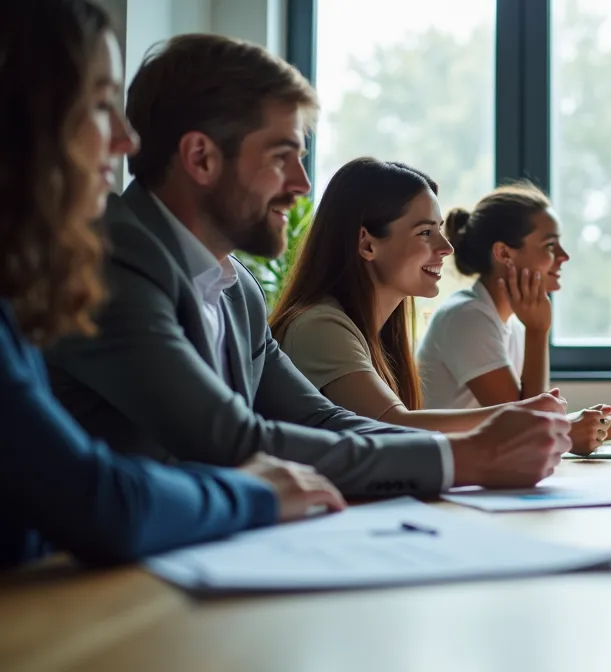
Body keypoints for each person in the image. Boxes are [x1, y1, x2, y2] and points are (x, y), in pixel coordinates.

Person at [44, 33, 571, 499]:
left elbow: (321, 418)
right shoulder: (108, 260)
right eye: (280, 157)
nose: (300, 185)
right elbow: (232, 440)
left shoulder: (237, 287)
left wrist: (481, 442)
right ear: (201, 158)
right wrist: (467, 459)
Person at [0, 0, 343, 568]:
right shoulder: (118, 266)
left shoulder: (16, 300)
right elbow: (101, 499)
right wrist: (254, 493)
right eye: (99, 104)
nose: (125, 142)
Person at [270, 158, 583, 444]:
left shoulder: (376, 332)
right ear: (367, 244)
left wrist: (535, 416)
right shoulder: (319, 325)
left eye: (440, 231)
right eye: (425, 232)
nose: (446, 247)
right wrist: (530, 416)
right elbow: (393, 428)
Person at [416, 182, 611, 448]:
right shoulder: (466, 318)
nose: (564, 256)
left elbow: (532, 420)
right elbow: (526, 432)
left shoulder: (509, 324)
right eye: (550, 245)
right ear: (504, 253)